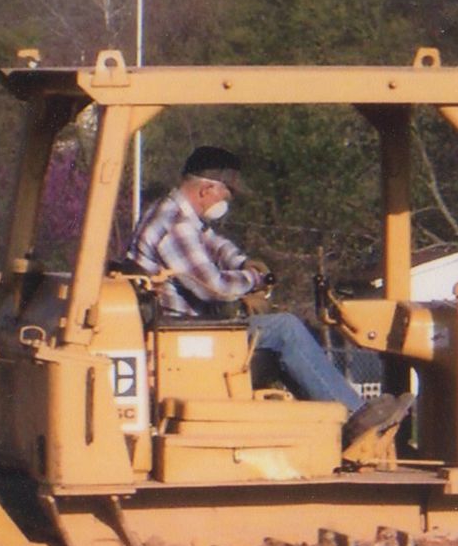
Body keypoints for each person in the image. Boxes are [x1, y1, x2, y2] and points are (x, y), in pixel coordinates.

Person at [127, 145, 412, 448]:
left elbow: (214, 244)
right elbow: (214, 288)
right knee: (285, 329)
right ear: (206, 189)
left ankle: (333, 427)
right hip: (187, 335)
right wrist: (252, 281)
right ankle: (355, 419)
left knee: (279, 335)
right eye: (227, 194)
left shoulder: (178, 218)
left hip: (183, 329)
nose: (228, 202)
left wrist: (241, 263)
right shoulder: (176, 226)